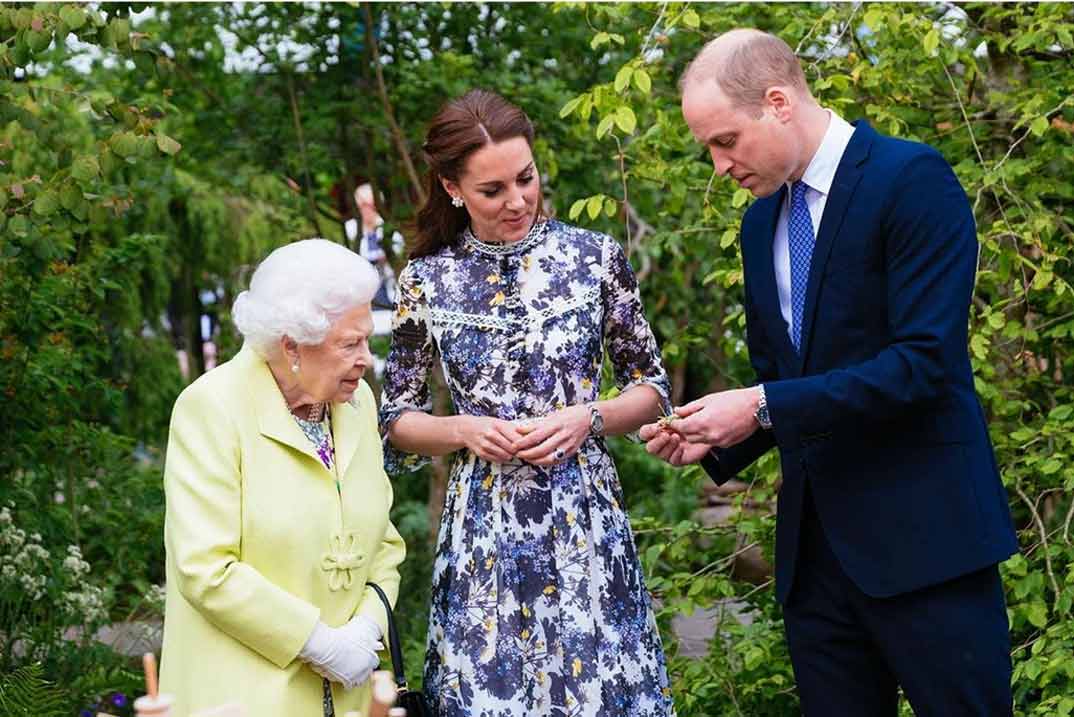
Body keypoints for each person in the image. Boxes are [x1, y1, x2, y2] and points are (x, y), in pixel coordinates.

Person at [642, 29, 1019, 715]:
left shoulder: (912, 180)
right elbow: (781, 377)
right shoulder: (762, 225)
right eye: (708, 150)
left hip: (930, 548)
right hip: (816, 569)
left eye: (725, 141)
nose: (719, 165)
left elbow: (923, 364)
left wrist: (757, 406)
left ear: (779, 102)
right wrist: (720, 440)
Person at [380, 89, 675, 717]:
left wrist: (588, 416)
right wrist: (462, 429)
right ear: (452, 188)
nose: (517, 200)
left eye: (526, 178)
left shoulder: (594, 260)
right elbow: (396, 418)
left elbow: (652, 388)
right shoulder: (425, 280)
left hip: (583, 519)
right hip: (484, 527)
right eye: (493, 190)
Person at [159, 239, 406, 717]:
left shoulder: (357, 407)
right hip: (244, 696)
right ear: (292, 344)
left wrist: (366, 631)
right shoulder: (211, 408)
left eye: (367, 341)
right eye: (350, 344)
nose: (367, 359)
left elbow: (385, 545)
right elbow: (205, 567)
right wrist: (318, 642)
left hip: (349, 698)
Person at [345, 183, 405, 310]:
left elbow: (399, 260)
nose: (367, 210)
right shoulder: (348, 230)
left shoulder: (390, 231)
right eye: (363, 206)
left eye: (370, 205)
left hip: (389, 289)